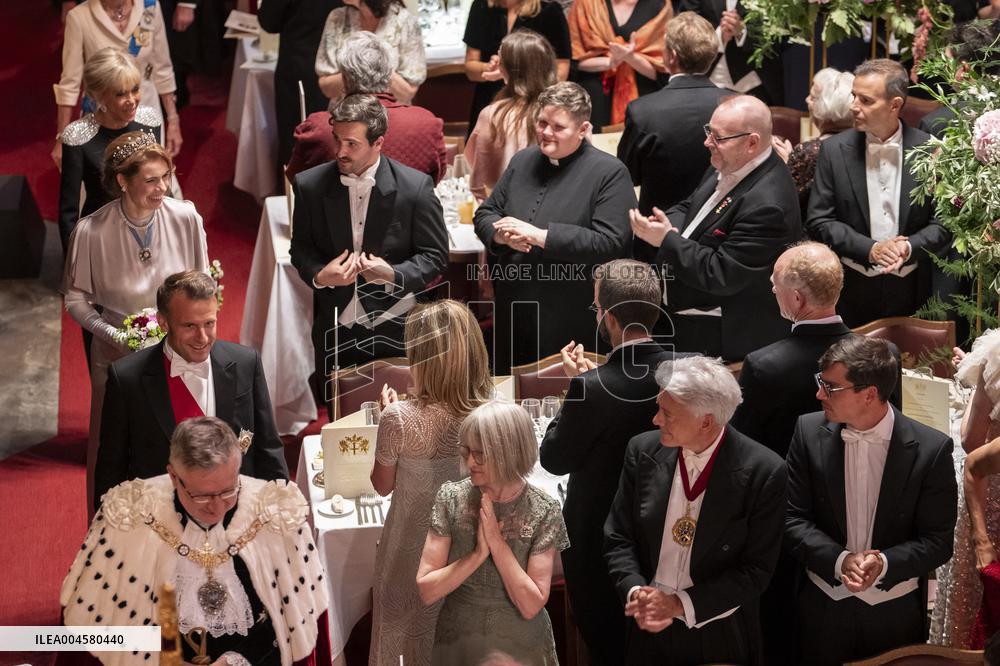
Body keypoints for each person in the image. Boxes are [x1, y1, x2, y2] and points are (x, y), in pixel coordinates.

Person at [61, 417, 328, 665]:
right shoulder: (133, 515)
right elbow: (113, 623)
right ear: (173, 476)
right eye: (202, 496)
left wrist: (237, 660)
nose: (217, 508)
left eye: (228, 491)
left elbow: (288, 616)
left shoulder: (272, 510)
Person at [539, 259, 685, 666]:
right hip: (676, 533)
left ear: (608, 317)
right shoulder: (689, 370)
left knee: (608, 649)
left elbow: (553, 458)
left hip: (602, 544)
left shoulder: (592, 387)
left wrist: (578, 389)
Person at [604, 355, 787, 665]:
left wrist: (677, 605)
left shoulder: (763, 471)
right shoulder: (643, 450)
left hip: (718, 630)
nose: (656, 420)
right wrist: (636, 592)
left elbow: (756, 571)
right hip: (646, 627)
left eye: (667, 413)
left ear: (706, 421)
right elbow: (619, 536)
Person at [785, 336, 957, 665]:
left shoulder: (931, 449)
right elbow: (792, 519)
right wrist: (839, 560)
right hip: (822, 606)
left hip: (894, 614)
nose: (819, 393)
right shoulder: (807, 433)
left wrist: (884, 563)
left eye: (831, 387)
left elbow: (938, 542)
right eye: (821, 382)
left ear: (869, 394)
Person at [63, 131, 208, 515]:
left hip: (177, 350)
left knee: (181, 438)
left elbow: (204, 284)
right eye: (151, 180)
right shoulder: (91, 231)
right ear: (123, 181)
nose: (163, 188)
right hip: (115, 355)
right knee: (114, 448)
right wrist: (113, 334)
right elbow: (75, 299)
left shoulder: (186, 217)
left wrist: (190, 332)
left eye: (166, 176)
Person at [289, 94, 448, 403]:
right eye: (337, 140)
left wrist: (394, 274)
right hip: (336, 324)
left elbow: (436, 257)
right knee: (340, 424)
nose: (339, 151)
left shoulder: (414, 188)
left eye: (352, 144)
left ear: (378, 143)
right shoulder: (309, 185)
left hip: (399, 326)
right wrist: (321, 276)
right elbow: (300, 250)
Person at [473, 82, 634, 373]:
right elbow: (486, 212)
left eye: (557, 127)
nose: (546, 132)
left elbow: (612, 241)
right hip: (514, 308)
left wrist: (540, 236)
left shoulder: (609, 172)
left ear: (584, 129)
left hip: (570, 311)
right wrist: (500, 235)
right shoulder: (523, 160)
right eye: (542, 122)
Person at [95, 270, 289, 512]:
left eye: (210, 323)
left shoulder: (246, 363)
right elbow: (110, 469)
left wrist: (282, 512)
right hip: (161, 521)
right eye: (189, 326)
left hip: (236, 515)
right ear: (163, 322)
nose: (203, 337)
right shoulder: (127, 379)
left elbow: (268, 448)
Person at [368, 300, 494, 666]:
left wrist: (386, 420)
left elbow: (381, 485)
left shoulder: (398, 418)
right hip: (470, 548)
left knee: (401, 640)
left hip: (411, 549)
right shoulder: (492, 410)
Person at [630, 94, 801, 360]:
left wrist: (666, 239)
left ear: (752, 143)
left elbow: (721, 273)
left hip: (724, 334)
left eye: (718, 137)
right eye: (709, 131)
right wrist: (663, 223)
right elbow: (692, 206)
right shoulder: (730, 162)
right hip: (690, 314)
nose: (707, 142)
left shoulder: (768, 205)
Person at [416, 400, 569, 665]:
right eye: (467, 452)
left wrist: (497, 544)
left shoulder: (544, 510)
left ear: (508, 452)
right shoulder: (451, 498)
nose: (470, 462)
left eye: (480, 454)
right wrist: (477, 555)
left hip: (520, 645)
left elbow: (531, 604)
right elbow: (427, 589)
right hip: (460, 642)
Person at [805, 58, 951, 328]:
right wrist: (870, 249)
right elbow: (819, 220)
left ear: (895, 105)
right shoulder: (833, 150)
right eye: (853, 96)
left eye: (866, 100)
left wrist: (908, 247)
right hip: (851, 287)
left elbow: (943, 223)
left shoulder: (931, 150)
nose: (853, 106)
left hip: (915, 289)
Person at [731, 241, 851, 458]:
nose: (773, 289)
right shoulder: (883, 354)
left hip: (788, 484)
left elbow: (743, 448)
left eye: (776, 284)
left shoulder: (764, 367)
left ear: (797, 298)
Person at [286, 31, 446, 184]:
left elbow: (297, 180)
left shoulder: (318, 127)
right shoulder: (427, 124)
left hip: (337, 213)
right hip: (410, 213)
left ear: (345, 80)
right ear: (391, 75)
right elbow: (434, 181)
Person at [618, 11, 730, 218]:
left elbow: (626, 175)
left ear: (671, 56)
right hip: (721, 227)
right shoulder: (736, 105)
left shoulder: (643, 111)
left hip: (659, 229)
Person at [929, 329, 1000, 647]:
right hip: (987, 481)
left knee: (975, 598)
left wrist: (975, 384)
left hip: (992, 490)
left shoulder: (996, 351)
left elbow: (971, 439)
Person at [54, 0, 182, 170]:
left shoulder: (150, 7)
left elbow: (162, 68)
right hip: (102, 116)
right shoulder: (79, 17)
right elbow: (69, 84)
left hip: (145, 107)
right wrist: (62, 137)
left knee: (151, 180)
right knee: (105, 184)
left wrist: (173, 120)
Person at [59, 48, 161, 255]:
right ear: (98, 96)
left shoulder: (150, 121)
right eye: (121, 93)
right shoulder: (77, 136)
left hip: (149, 233)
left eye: (135, 89)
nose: (132, 99)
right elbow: (68, 211)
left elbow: (159, 183)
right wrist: (74, 262)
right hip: (102, 240)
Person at [465, 30, 557, 202]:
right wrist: (514, 74)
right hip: (560, 206)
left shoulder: (494, 115)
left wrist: (511, 76)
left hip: (512, 210)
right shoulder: (562, 110)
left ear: (505, 69)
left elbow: (480, 177)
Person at [463, 0, 571, 134]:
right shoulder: (481, 6)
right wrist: (491, 68)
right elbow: (470, 69)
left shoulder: (549, 10)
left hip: (534, 106)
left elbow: (561, 70)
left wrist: (516, 75)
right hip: (490, 103)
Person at [258, 0, 342, 168]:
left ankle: (295, 190)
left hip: (301, 66)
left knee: (298, 142)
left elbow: (269, 21)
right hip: (342, 63)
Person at [567, 0, 671, 128]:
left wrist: (629, 57)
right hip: (594, 95)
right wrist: (611, 62)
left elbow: (663, 70)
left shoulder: (660, 6)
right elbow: (574, 60)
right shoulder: (587, 3)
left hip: (644, 96)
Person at [314, 0, 426, 104]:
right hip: (345, 119)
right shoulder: (337, 18)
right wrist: (360, 71)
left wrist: (373, 69)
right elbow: (326, 88)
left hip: (392, 119)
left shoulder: (406, 21)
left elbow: (408, 92)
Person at [777, 67, 855, 214]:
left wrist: (787, 165)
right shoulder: (865, 142)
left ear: (825, 106)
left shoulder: (810, 152)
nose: (806, 100)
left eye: (813, 98)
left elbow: (787, 202)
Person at [676, 0, 782, 105]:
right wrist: (718, 35)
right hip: (708, 78)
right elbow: (685, 24)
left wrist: (742, 32)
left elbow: (782, 31)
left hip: (756, 81)